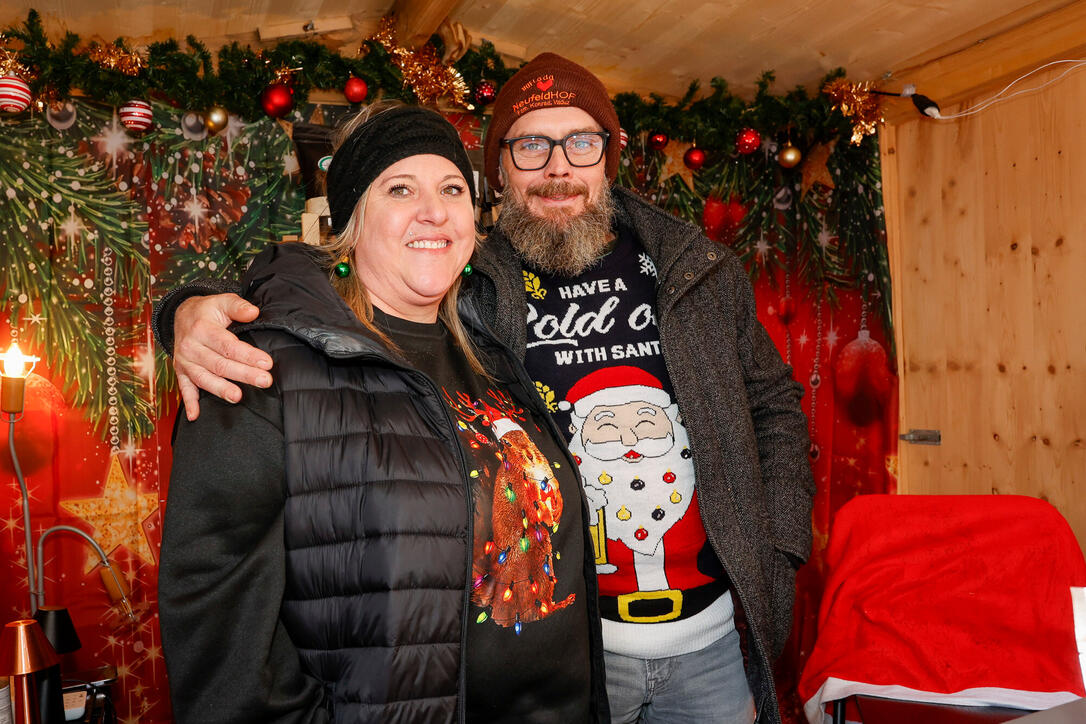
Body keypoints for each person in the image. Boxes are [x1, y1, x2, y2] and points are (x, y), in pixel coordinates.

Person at [154, 55, 815, 724]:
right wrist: (191, 306)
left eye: (581, 141)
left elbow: (775, 406)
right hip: (580, 653)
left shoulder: (690, 270)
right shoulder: (478, 289)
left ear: (609, 158)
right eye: (531, 144)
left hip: (692, 647)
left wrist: (777, 549)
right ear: (499, 173)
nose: (559, 166)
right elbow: (316, 292)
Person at [157, 103, 609, 724]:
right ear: (351, 222)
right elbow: (218, 630)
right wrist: (181, 310)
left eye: (452, 188)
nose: (434, 209)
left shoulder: (494, 355)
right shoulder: (258, 365)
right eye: (400, 188)